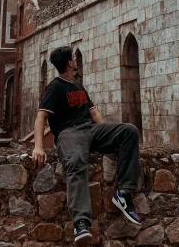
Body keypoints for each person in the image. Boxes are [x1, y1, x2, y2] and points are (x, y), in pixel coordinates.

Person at [33, 46, 141, 245]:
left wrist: (108, 132)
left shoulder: (79, 87)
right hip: (69, 133)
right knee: (75, 161)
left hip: (90, 130)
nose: (76, 60)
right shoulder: (55, 87)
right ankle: (81, 222)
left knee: (128, 131)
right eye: (73, 58)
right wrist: (38, 146)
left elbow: (94, 114)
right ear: (69, 63)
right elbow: (41, 118)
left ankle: (124, 193)